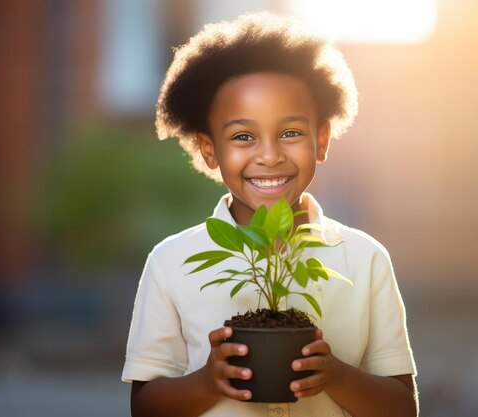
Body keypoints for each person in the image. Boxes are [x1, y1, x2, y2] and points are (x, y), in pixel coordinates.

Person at [122, 12, 418, 417]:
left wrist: (335, 375)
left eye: (290, 133)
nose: (269, 155)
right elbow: (145, 406)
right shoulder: (171, 262)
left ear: (321, 141)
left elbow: (402, 407)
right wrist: (207, 382)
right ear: (209, 150)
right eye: (243, 136)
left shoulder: (364, 259)